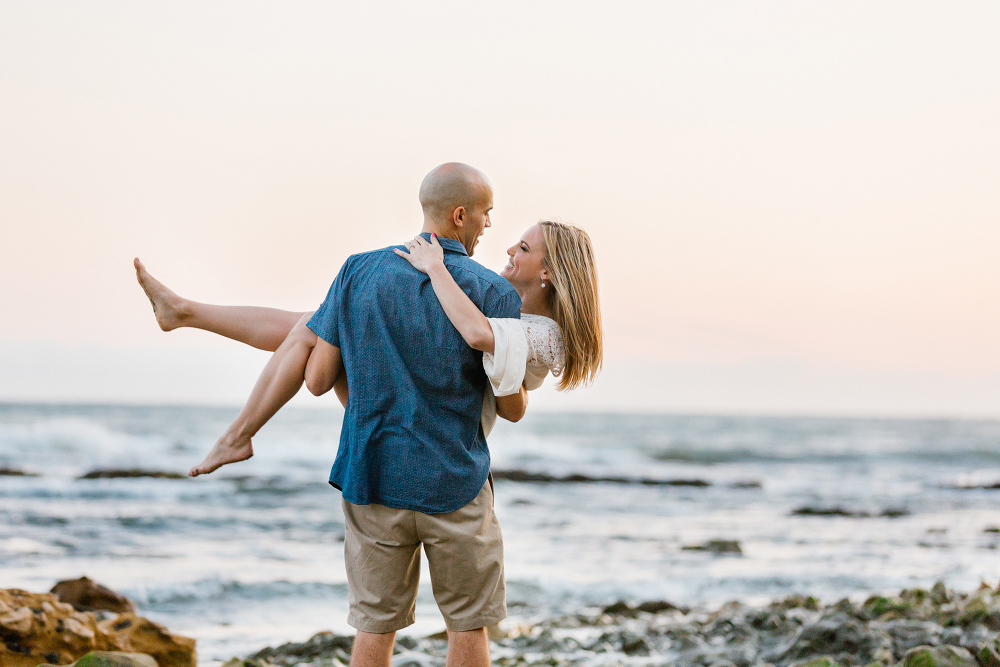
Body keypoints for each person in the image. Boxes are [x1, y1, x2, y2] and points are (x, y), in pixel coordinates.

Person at [133, 163, 603, 667]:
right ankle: (188, 318)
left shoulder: (361, 269)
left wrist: (345, 352)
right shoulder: (496, 293)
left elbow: (317, 380)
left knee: (374, 628)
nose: (497, 232)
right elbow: (508, 400)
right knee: (467, 626)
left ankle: (195, 334)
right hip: (453, 476)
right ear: (462, 215)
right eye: (487, 215)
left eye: (523, 247)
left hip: (374, 469)